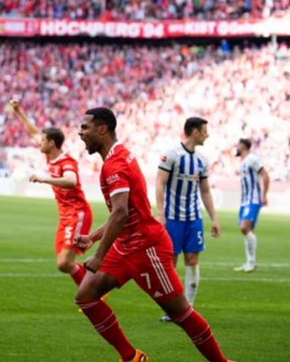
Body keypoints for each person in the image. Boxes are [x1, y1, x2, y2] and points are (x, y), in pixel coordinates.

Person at [75, 107, 232, 362]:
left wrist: (99, 255)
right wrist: (93, 237)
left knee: (181, 313)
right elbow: (126, 213)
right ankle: (132, 357)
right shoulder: (119, 156)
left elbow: (121, 214)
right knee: (86, 296)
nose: (80, 133)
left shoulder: (115, 164)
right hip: (127, 244)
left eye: (85, 127)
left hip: (147, 249)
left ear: (102, 129)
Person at [9, 99, 93, 286]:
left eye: (43, 140)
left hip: (77, 214)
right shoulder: (50, 155)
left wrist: (43, 179)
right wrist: (18, 111)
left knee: (65, 262)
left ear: (52, 143)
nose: (40, 142)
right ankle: (94, 283)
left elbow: (71, 181)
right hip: (65, 217)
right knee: (63, 265)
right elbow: (32, 130)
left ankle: (95, 291)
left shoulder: (67, 162)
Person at [156, 117, 221, 322]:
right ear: (195, 132)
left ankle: (188, 309)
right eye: (204, 131)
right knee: (171, 263)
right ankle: (173, 309)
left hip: (194, 218)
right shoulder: (172, 154)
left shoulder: (202, 159)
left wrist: (215, 218)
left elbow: (206, 190)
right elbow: (160, 183)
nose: (207, 134)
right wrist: (160, 213)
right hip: (173, 218)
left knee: (192, 261)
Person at [233, 138, 269, 272]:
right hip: (244, 201)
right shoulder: (243, 162)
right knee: (249, 230)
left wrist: (264, 195)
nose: (236, 148)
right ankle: (250, 262)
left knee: (244, 227)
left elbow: (265, 175)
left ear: (242, 146)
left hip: (253, 200)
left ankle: (252, 262)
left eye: (237, 145)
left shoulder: (252, 159)